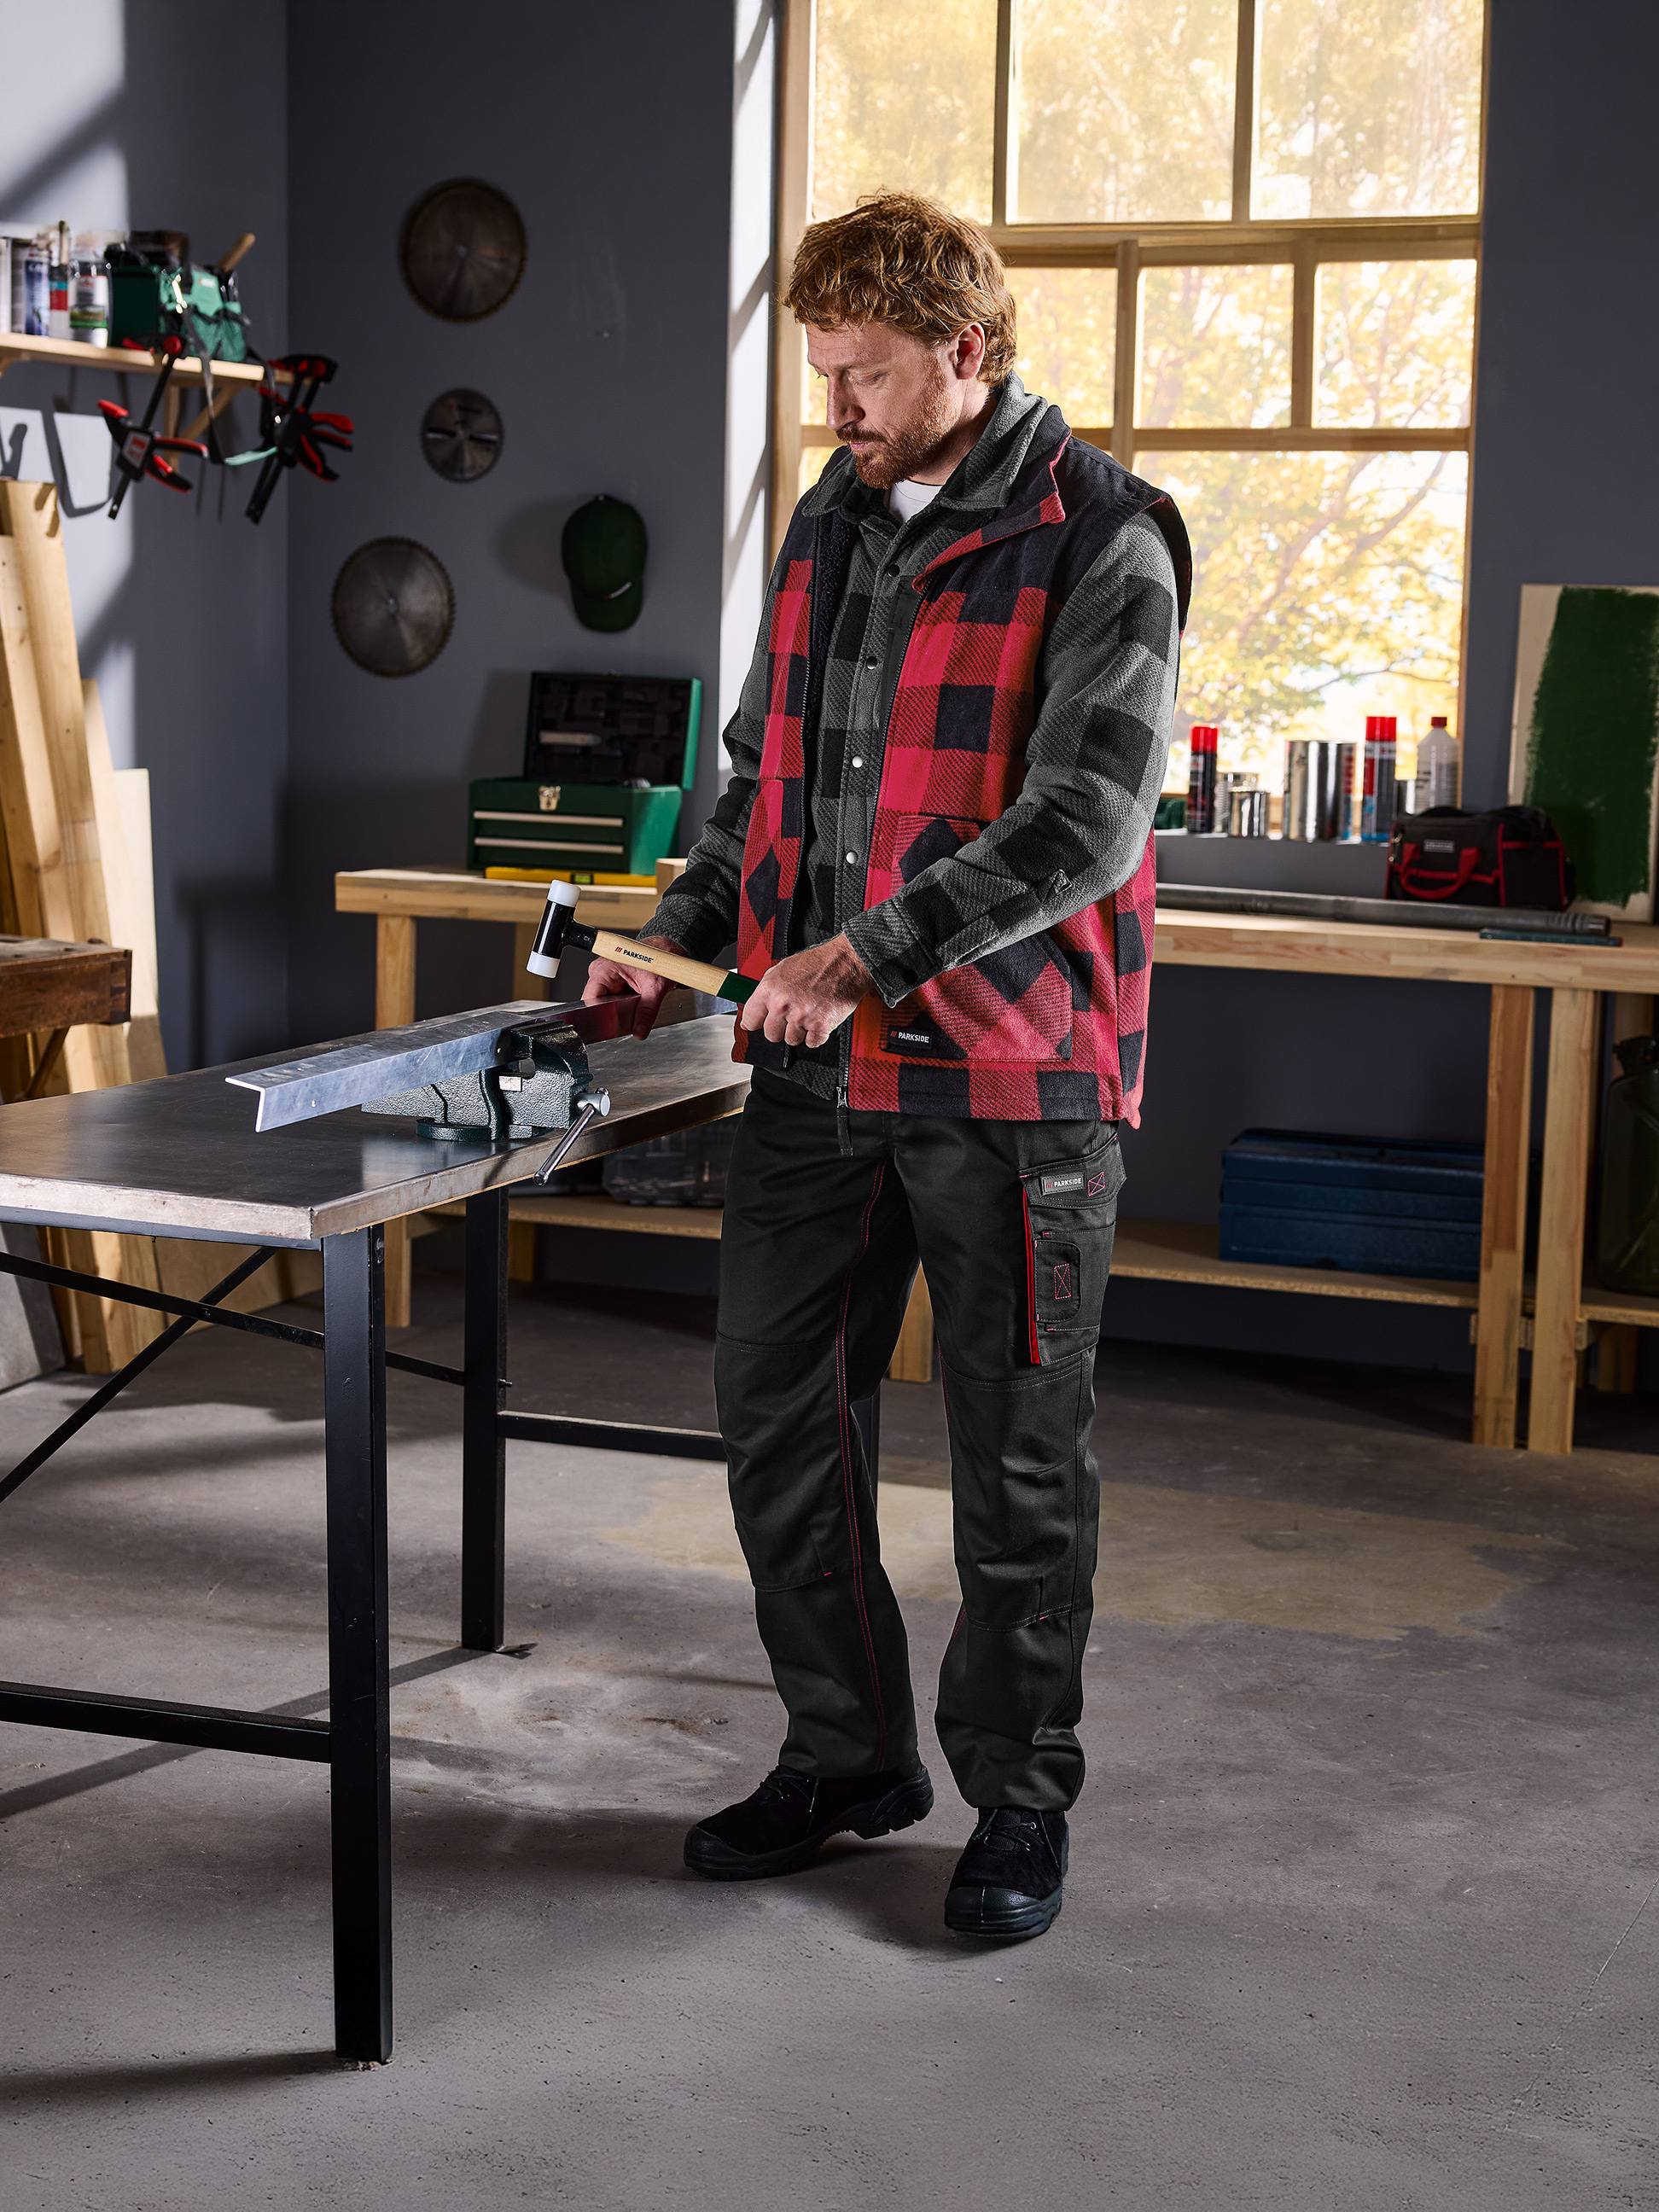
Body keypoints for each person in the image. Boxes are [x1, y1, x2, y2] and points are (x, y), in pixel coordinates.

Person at [584, 192, 1189, 1941]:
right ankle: (848, 1757)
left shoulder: (1107, 535)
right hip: (819, 1088)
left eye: (863, 376)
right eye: (822, 374)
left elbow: (1085, 820)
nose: (836, 409)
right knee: (779, 1416)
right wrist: (675, 937)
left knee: (1014, 1457)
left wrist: (866, 956)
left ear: (966, 354)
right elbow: (762, 782)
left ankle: (1018, 1801)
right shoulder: (828, 528)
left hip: (1018, 1082)